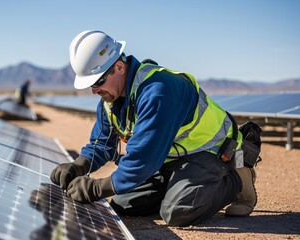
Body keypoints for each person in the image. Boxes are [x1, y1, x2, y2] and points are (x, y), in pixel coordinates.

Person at [50, 30, 262, 227]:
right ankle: (179, 189)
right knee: (124, 204)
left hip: (211, 151)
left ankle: (237, 178)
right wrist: (79, 165)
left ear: (119, 67)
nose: (95, 90)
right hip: (172, 157)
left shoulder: (157, 92)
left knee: (178, 211)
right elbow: (102, 144)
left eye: (98, 81)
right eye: (91, 84)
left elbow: (143, 159)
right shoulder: (111, 100)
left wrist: (97, 188)